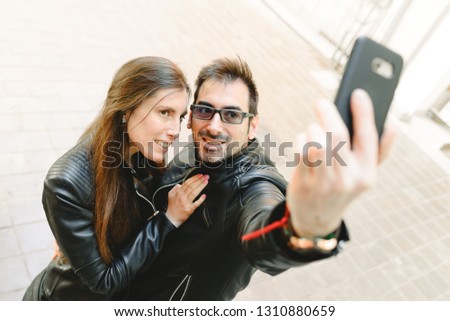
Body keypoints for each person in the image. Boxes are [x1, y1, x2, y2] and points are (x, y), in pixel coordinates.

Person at [125, 57, 394, 300]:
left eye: (231, 115)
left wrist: (308, 224)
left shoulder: (255, 185)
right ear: (191, 116)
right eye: (205, 110)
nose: (214, 126)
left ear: (252, 126)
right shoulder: (200, 149)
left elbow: (266, 240)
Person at [22, 56, 209, 300]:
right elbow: (104, 280)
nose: (175, 130)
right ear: (126, 108)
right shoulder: (65, 182)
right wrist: (168, 219)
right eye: (165, 112)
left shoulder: (142, 152)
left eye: (181, 116)